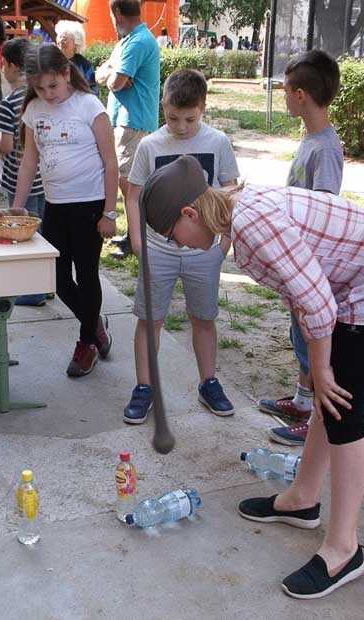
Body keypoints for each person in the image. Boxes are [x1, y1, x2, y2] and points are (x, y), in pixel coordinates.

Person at [138, 155, 364, 599]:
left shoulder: (252, 227)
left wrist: (320, 370)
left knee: (343, 411)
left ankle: (344, 550)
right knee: (330, 403)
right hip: (353, 283)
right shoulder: (237, 213)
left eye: (174, 236)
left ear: (190, 214)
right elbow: (300, 291)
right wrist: (317, 363)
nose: (181, 246)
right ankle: (302, 500)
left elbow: (318, 302)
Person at [121, 69, 239, 424]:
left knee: (203, 317)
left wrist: (224, 243)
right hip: (158, 249)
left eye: (190, 119)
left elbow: (231, 190)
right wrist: (137, 240)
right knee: (149, 319)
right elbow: (133, 194)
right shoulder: (150, 145)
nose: (182, 127)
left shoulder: (218, 142)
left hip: (203, 252)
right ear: (163, 107)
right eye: (173, 118)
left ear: (203, 108)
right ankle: (145, 387)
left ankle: (208, 382)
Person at [11, 43, 118, 377]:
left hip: (90, 205)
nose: (47, 93)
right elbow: (29, 161)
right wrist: (16, 207)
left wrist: (110, 213)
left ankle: (86, 343)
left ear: (67, 73)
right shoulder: (34, 109)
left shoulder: (89, 106)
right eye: (40, 87)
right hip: (55, 206)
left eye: (52, 85)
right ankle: (94, 323)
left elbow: (111, 162)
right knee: (56, 278)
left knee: (86, 274)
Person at [257, 51, 344, 449]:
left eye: (285, 90)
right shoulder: (312, 139)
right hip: (297, 256)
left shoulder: (325, 147)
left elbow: (323, 208)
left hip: (308, 260)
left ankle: (314, 418)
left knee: (311, 339)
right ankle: (301, 400)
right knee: (299, 333)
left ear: (301, 95)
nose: (283, 96)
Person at [96, 0, 160, 258]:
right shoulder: (127, 41)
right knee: (127, 181)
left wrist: (114, 74)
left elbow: (114, 82)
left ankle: (138, 239)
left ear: (117, 13)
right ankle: (135, 235)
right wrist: (113, 72)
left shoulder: (137, 42)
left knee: (130, 183)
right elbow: (101, 75)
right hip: (125, 120)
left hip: (134, 121)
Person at [0, 37, 48, 307]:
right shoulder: (40, 96)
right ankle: (47, 284)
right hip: (44, 180)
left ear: (12, 66)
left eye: (3, 64)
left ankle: (34, 290)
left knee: (24, 235)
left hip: (18, 181)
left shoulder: (8, 103)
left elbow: (5, 145)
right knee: (43, 234)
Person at [55, 21, 99, 95]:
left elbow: (93, 90)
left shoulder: (84, 64)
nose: (61, 41)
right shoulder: (51, 60)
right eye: (60, 37)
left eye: (65, 39)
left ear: (75, 43)